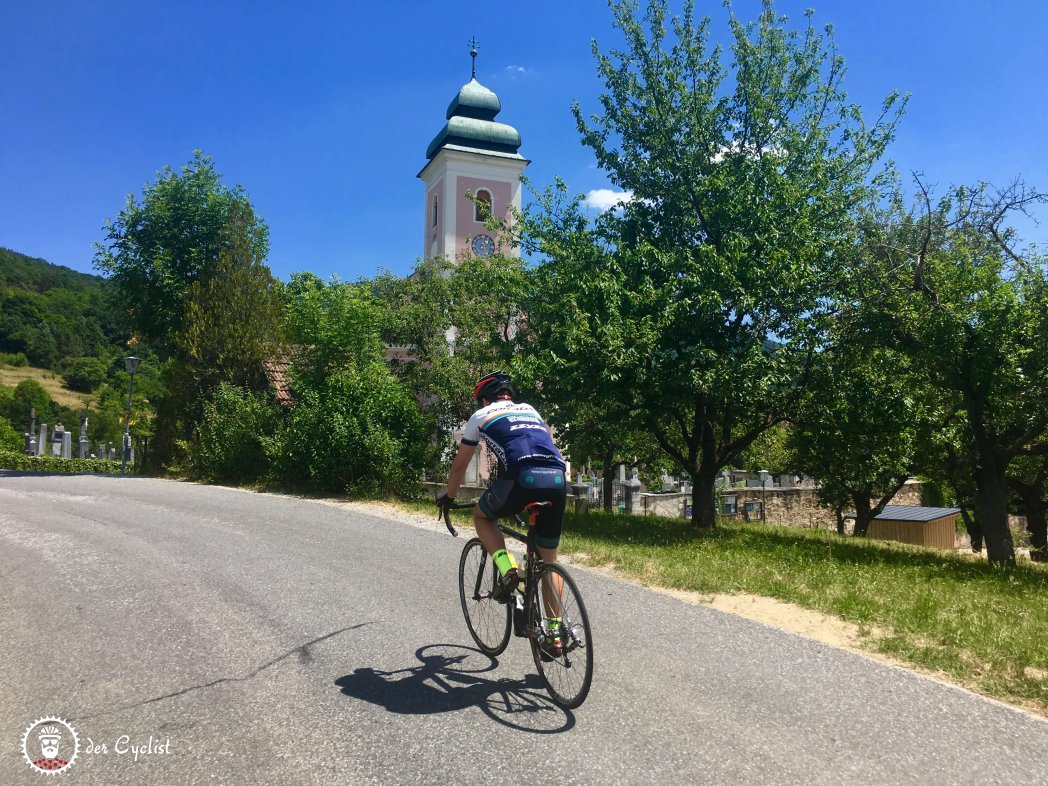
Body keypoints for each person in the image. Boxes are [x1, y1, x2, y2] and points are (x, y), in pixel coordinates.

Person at [436, 371, 567, 655]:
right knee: (549, 559)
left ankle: (508, 572)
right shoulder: (530, 410)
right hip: (557, 477)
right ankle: (555, 634)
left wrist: (449, 496)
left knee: (483, 516)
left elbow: (459, 467)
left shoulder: (480, 416)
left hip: (524, 475)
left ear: (485, 398)